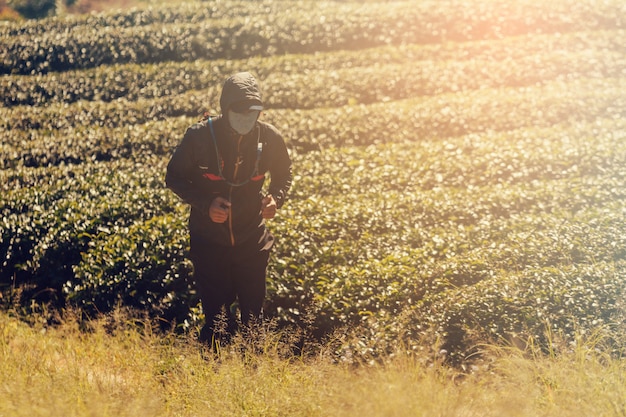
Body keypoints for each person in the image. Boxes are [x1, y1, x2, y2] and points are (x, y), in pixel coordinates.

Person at [166, 72, 292, 347]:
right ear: (226, 109)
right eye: (240, 110)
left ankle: (252, 378)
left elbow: (284, 174)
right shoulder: (199, 137)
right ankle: (213, 377)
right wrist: (206, 204)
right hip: (209, 241)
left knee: (253, 322)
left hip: (251, 241)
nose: (247, 116)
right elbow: (173, 177)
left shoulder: (269, 138)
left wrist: (275, 198)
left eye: (253, 111)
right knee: (217, 322)